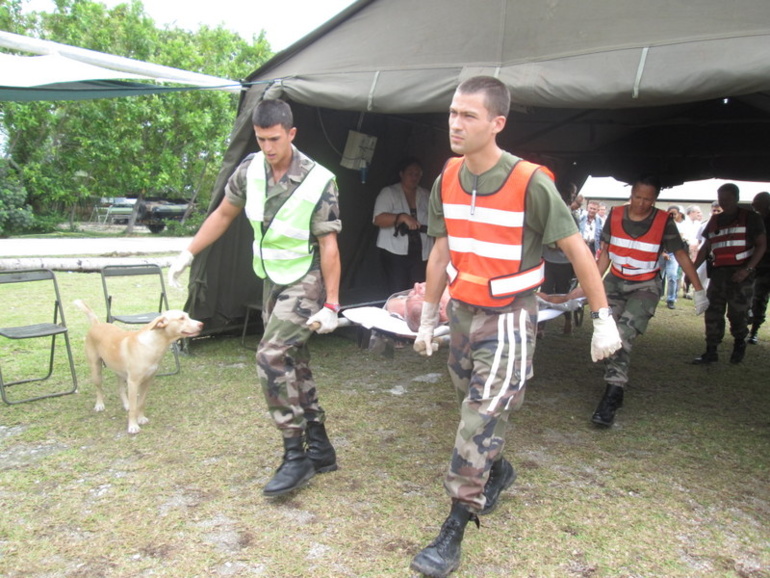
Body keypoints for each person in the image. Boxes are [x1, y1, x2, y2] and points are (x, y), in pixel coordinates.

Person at [408, 76, 622, 578]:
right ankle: (498, 469)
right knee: (470, 399)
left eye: (469, 116)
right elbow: (441, 250)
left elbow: (577, 250)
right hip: (461, 314)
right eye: (453, 113)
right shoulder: (447, 179)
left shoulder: (530, 181)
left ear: (497, 123)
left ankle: (455, 526)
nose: (455, 124)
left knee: (478, 419)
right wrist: (426, 314)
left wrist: (603, 319)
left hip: (508, 318)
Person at [168, 99, 342, 496]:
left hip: (307, 278)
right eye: (262, 139)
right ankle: (321, 445)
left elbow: (329, 244)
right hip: (272, 278)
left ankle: (295, 456)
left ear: (291, 134)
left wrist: (332, 303)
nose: (268, 147)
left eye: (275, 139)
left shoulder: (319, 179)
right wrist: (188, 252)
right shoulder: (250, 170)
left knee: (270, 356)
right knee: (292, 359)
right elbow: (224, 214)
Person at [591, 176, 708, 427]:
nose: (642, 203)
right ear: (631, 195)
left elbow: (680, 254)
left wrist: (698, 290)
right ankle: (616, 386)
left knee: (623, 334)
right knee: (607, 332)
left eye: (649, 199)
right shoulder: (614, 215)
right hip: (614, 282)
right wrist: (587, 286)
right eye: (638, 197)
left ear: (655, 200)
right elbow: (605, 255)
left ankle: (612, 394)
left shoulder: (663, 220)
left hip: (645, 286)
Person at [693, 183, 766, 364]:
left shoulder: (750, 218)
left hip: (741, 274)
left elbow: (761, 245)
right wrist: (692, 269)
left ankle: (739, 343)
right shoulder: (715, 220)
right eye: (721, 199)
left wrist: (748, 269)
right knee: (713, 312)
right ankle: (711, 351)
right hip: (718, 273)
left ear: (736, 198)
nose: (724, 203)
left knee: (737, 313)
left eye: (727, 199)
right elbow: (705, 247)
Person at [372, 157, 433, 295]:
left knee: (417, 290)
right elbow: (378, 219)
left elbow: (436, 220)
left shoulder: (426, 194)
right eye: (410, 173)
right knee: (397, 290)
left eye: (417, 174)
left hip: (421, 252)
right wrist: (402, 217)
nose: (414, 177)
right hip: (394, 251)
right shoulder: (389, 192)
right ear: (401, 174)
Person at [538, 182, 577, 337]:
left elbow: (574, 241)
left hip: (564, 263)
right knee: (545, 292)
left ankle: (568, 321)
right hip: (548, 261)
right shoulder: (547, 214)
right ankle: (540, 327)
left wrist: (559, 244)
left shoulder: (571, 217)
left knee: (563, 294)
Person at [748, 191, 770, 344]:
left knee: (759, 298)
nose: (753, 204)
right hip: (758, 266)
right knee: (756, 298)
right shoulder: (755, 220)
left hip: (765, 266)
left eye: (757, 201)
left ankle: (754, 330)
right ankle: (753, 329)